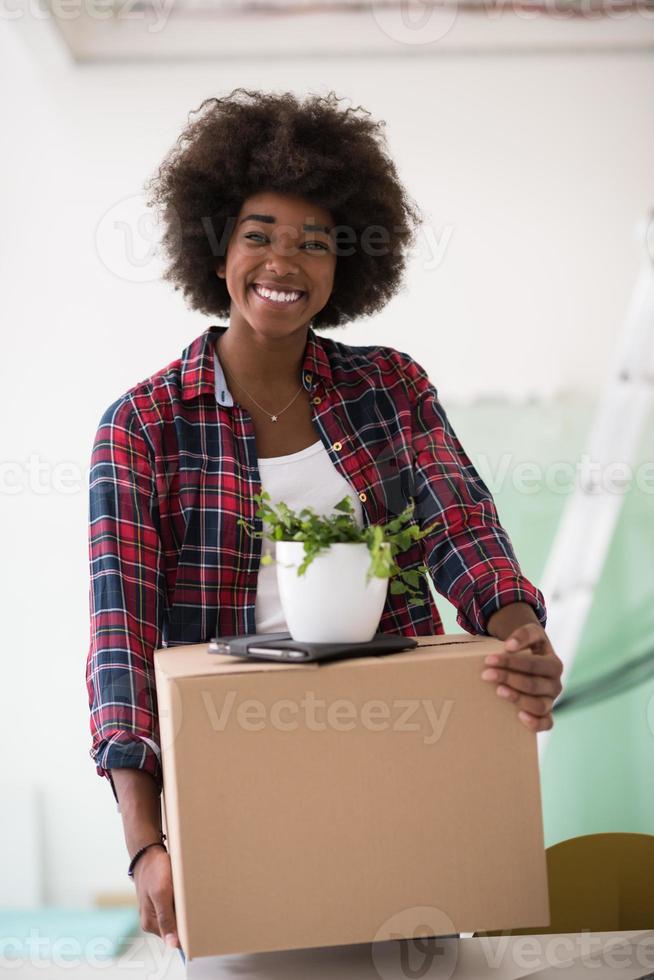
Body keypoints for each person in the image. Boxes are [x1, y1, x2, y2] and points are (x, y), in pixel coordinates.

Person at [86, 89, 563, 956]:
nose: (285, 261)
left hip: (400, 778)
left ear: (346, 263)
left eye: (315, 242)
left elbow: (461, 525)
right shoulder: (143, 425)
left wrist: (521, 634)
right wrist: (145, 844)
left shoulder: (390, 387)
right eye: (260, 234)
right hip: (231, 796)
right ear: (218, 249)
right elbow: (122, 639)